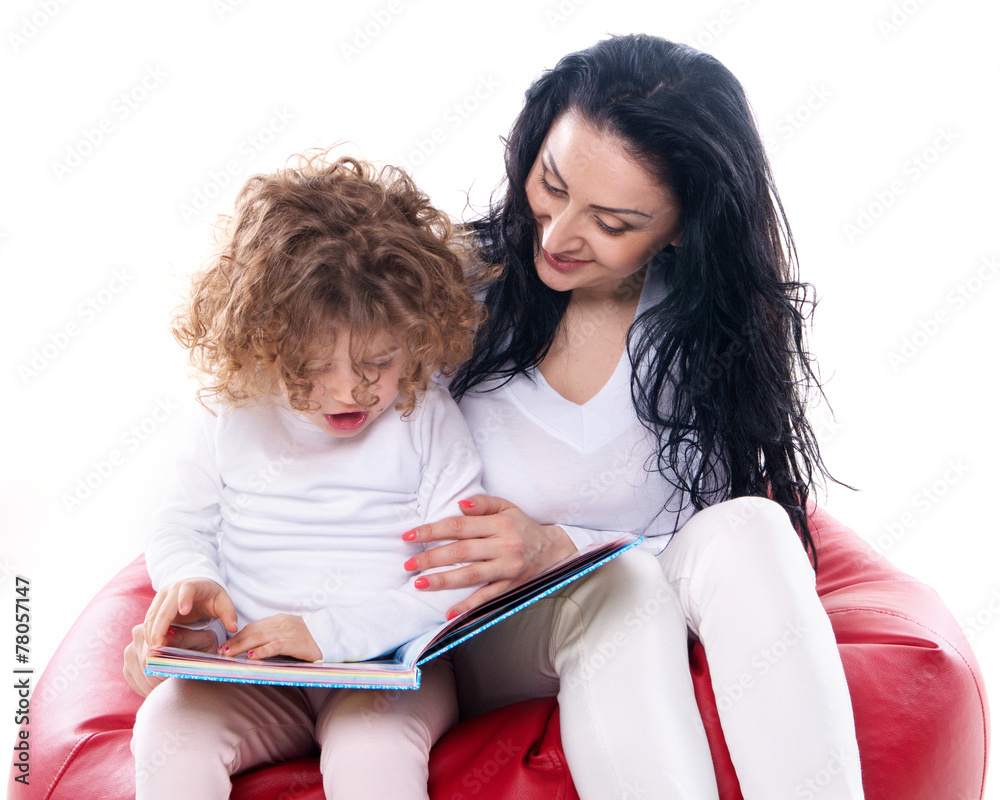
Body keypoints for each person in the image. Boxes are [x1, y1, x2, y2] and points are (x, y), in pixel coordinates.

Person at [398, 34, 866, 799]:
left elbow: (695, 535)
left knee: (750, 527)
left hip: (649, 608)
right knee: (622, 596)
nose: (554, 235)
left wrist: (557, 544)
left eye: (611, 224)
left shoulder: (709, 325)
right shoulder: (449, 287)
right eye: (550, 183)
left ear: (682, 226)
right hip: (479, 635)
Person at [129, 152, 487, 800]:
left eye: (377, 362)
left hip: (388, 672)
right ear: (262, 345)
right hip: (255, 673)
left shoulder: (428, 415)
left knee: (370, 752)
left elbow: (455, 581)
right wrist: (192, 580)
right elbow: (180, 523)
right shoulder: (233, 410)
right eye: (312, 369)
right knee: (167, 727)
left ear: (417, 333)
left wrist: (327, 635)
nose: (347, 391)